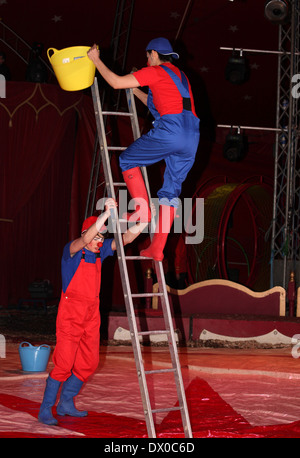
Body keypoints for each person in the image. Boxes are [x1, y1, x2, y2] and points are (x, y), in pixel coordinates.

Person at [87, 37, 200, 262]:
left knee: (128, 160)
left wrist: (96, 61)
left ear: (154, 54)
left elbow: (117, 82)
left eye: (147, 55)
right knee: (170, 192)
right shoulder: (181, 77)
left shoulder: (157, 71)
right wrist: (136, 88)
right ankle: (157, 248)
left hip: (172, 131)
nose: (147, 60)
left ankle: (143, 211)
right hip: (192, 136)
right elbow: (156, 101)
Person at [38, 198, 149, 426]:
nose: (99, 241)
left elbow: (125, 239)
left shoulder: (100, 252)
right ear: (87, 232)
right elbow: (86, 239)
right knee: (64, 363)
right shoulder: (70, 252)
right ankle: (46, 408)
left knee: (88, 362)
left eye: (101, 238)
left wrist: (145, 222)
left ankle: (66, 403)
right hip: (70, 315)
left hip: (91, 315)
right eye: (96, 236)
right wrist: (105, 215)